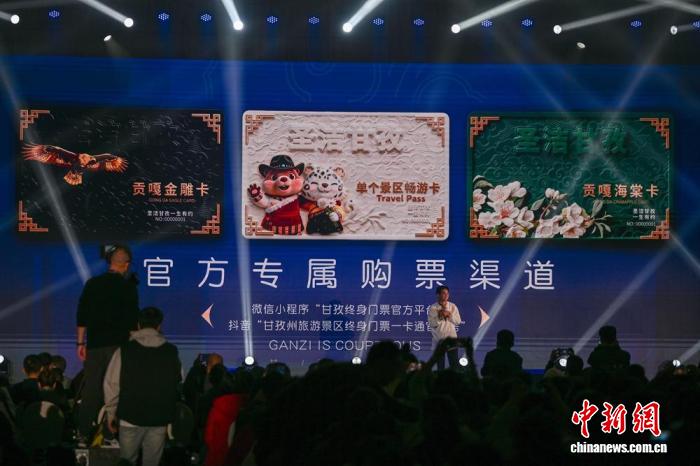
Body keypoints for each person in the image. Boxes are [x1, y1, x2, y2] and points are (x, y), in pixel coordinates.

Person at [103, 306, 182, 466]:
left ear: (138, 325)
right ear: (159, 326)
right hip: (159, 418)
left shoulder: (125, 350)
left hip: (129, 417)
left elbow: (112, 384)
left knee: (127, 462)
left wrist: (111, 413)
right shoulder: (171, 351)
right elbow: (178, 382)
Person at [75, 244, 139, 439]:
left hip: (94, 345)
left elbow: (82, 316)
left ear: (110, 262)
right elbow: (132, 322)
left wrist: (80, 343)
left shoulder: (92, 284)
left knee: (91, 389)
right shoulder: (128, 288)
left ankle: (83, 432)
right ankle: (111, 434)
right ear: (126, 265)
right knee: (116, 389)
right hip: (119, 347)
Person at [427, 286, 462, 370]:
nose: (446, 295)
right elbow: (432, 324)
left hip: (452, 340)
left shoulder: (453, 306)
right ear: (438, 295)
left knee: (454, 365)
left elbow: (458, 321)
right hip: (439, 341)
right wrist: (440, 316)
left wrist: (449, 315)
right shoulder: (433, 308)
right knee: (440, 366)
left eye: (447, 293)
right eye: (443, 293)